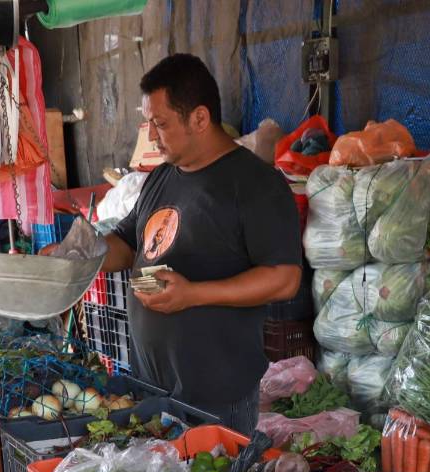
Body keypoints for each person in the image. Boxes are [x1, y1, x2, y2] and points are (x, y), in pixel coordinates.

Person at [102, 53, 302, 434]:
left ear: (199, 118)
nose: (151, 137)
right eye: (148, 124)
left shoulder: (255, 184)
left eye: (160, 124)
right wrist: (79, 259)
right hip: (153, 389)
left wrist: (193, 294)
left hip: (217, 399)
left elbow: (284, 279)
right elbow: (128, 243)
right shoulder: (161, 178)